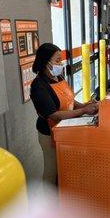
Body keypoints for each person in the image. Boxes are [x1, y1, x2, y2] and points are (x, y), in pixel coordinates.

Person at [30, 43, 98, 186]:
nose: (60, 63)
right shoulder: (39, 86)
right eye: (57, 60)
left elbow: (70, 101)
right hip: (49, 133)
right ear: (45, 62)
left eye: (61, 59)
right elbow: (54, 115)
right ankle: (47, 203)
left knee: (64, 169)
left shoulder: (59, 77)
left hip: (65, 130)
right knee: (51, 170)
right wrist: (84, 111)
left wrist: (86, 104)